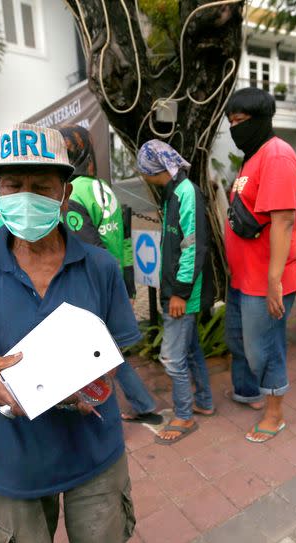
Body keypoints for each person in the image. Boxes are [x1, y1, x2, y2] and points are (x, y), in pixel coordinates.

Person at [0, 123, 139, 543]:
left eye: (40, 186)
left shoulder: (100, 266)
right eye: (13, 184)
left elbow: (114, 354)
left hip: (95, 455)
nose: (24, 196)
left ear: (64, 195)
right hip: (16, 461)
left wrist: (83, 386)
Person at [59, 126, 162, 425]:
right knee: (109, 350)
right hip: (112, 282)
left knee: (98, 355)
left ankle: (101, 415)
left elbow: (88, 249)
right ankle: (142, 404)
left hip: (89, 288)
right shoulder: (104, 188)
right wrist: (126, 288)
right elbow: (123, 243)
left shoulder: (71, 191)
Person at [223, 88, 296, 442]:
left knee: (266, 347)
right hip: (245, 276)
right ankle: (252, 393)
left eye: (239, 121)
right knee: (240, 340)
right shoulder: (252, 157)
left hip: (267, 279)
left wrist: (274, 281)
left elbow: (284, 220)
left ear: (260, 119)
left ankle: (275, 414)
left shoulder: (277, 155)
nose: (234, 128)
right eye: (230, 122)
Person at [136, 140, 215, 444]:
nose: (144, 176)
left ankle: (184, 415)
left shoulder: (185, 193)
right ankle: (204, 401)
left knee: (172, 358)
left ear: (155, 169)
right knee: (191, 348)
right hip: (177, 289)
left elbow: (193, 247)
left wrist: (180, 293)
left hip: (183, 292)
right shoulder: (174, 193)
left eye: (145, 171)